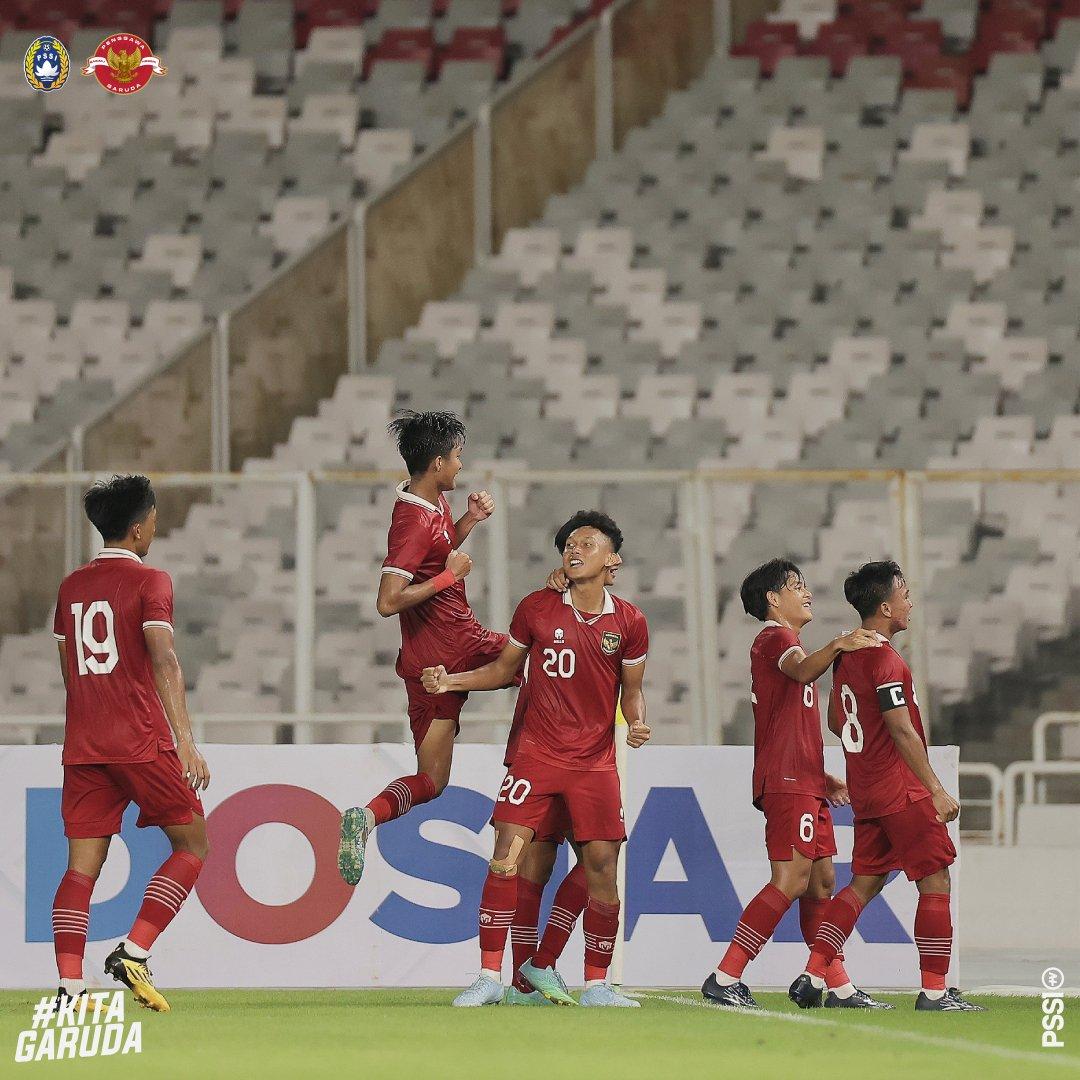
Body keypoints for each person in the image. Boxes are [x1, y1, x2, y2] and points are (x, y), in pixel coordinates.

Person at [422, 511, 649, 1007]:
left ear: (612, 560)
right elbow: (504, 670)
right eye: (569, 543)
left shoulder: (630, 621)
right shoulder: (537, 608)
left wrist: (637, 722)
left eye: (587, 543)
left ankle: (596, 985)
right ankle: (490, 977)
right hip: (536, 755)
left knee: (602, 868)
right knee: (508, 857)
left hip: (594, 763)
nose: (575, 549)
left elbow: (632, 690)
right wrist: (452, 681)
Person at [789, 561, 984, 1012]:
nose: (910, 603)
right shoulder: (885, 659)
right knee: (935, 880)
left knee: (863, 884)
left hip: (868, 790)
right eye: (905, 595)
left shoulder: (847, 658)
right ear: (885, 607)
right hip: (902, 790)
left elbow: (837, 721)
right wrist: (935, 788)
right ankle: (935, 992)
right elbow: (901, 728)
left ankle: (814, 971)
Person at [51, 474, 210, 1014]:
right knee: (192, 844)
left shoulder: (71, 586)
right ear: (139, 528)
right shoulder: (151, 581)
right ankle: (134, 952)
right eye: (154, 519)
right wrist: (185, 742)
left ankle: (70, 989)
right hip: (140, 739)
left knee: (80, 869)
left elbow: (69, 669)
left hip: (84, 744)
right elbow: (164, 658)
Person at [703, 558, 889, 1010]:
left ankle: (839, 987)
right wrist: (840, 643)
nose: (807, 593)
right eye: (797, 585)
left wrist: (819, 775)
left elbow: (786, 722)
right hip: (787, 782)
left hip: (803, 780)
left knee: (821, 884)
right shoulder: (776, 639)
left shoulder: (793, 646)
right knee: (789, 878)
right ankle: (725, 976)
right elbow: (801, 671)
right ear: (773, 598)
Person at [338, 411, 506, 887]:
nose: (460, 464)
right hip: (454, 646)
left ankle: (366, 817)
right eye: (456, 457)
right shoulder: (413, 521)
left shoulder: (429, 503)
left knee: (432, 781)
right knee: (544, 655)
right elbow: (387, 601)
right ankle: (550, 773)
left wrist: (469, 520)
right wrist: (450, 577)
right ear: (437, 463)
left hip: (426, 659)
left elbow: (438, 548)